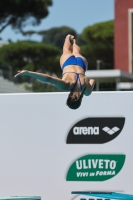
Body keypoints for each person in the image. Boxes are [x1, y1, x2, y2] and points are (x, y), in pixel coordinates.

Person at [14, 34, 95, 110]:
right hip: (68, 63)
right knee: (66, 51)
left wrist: (86, 85)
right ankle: (67, 38)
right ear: (68, 97)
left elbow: (92, 80)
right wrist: (28, 73)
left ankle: (74, 42)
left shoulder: (86, 91)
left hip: (81, 64)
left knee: (76, 52)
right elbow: (48, 79)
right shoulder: (65, 86)